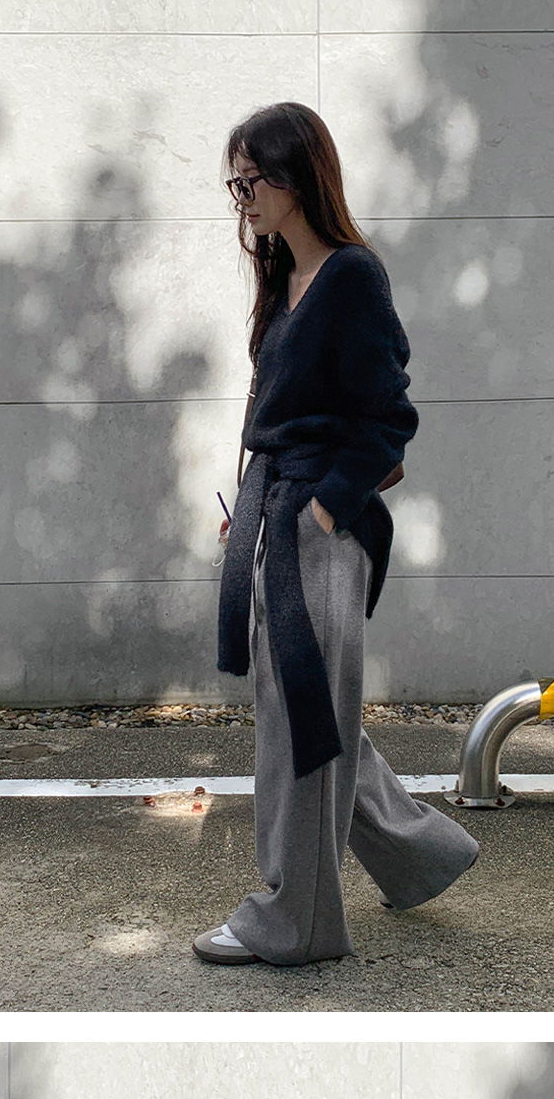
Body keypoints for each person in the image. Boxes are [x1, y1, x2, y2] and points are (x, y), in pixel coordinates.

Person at [194, 101, 479, 966]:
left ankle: (298, 922)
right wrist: (252, 511)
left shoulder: (352, 276)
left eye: (251, 179)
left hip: (320, 532)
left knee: (299, 726)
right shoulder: (283, 279)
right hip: (275, 518)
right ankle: (424, 854)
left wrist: (322, 508)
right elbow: (280, 418)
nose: (242, 197)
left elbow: (389, 420)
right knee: (309, 712)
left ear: (295, 177)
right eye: (235, 182)